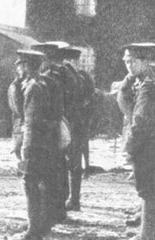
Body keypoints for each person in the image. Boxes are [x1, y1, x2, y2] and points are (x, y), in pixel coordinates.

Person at [115, 42, 155, 240]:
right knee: (148, 188)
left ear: (145, 61)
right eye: (126, 61)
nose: (128, 65)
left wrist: (129, 148)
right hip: (150, 142)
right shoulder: (143, 79)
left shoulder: (147, 86)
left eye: (133, 61)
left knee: (147, 190)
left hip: (146, 143)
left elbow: (139, 122)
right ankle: (147, 233)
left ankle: (147, 235)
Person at [12, 49, 60, 240]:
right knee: (46, 184)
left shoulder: (32, 88)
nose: (19, 69)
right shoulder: (49, 83)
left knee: (30, 184)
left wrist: (25, 148)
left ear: (26, 66)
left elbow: (31, 122)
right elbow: (57, 115)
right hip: (49, 142)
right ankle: (45, 226)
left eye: (21, 65)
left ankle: (33, 231)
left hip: (35, 143)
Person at [30, 42, 69, 223]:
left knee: (53, 172)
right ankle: (56, 210)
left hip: (52, 129)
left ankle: (53, 212)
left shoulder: (52, 78)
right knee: (57, 170)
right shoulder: (56, 75)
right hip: (54, 127)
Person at [59, 46, 96, 211]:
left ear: (67, 60)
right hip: (82, 123)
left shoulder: (65, 75)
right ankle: (75, 199)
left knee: (66, 162)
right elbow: (92, 97)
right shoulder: (84, 76)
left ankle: (68, 199)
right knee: (76, 162)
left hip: (69, 123)